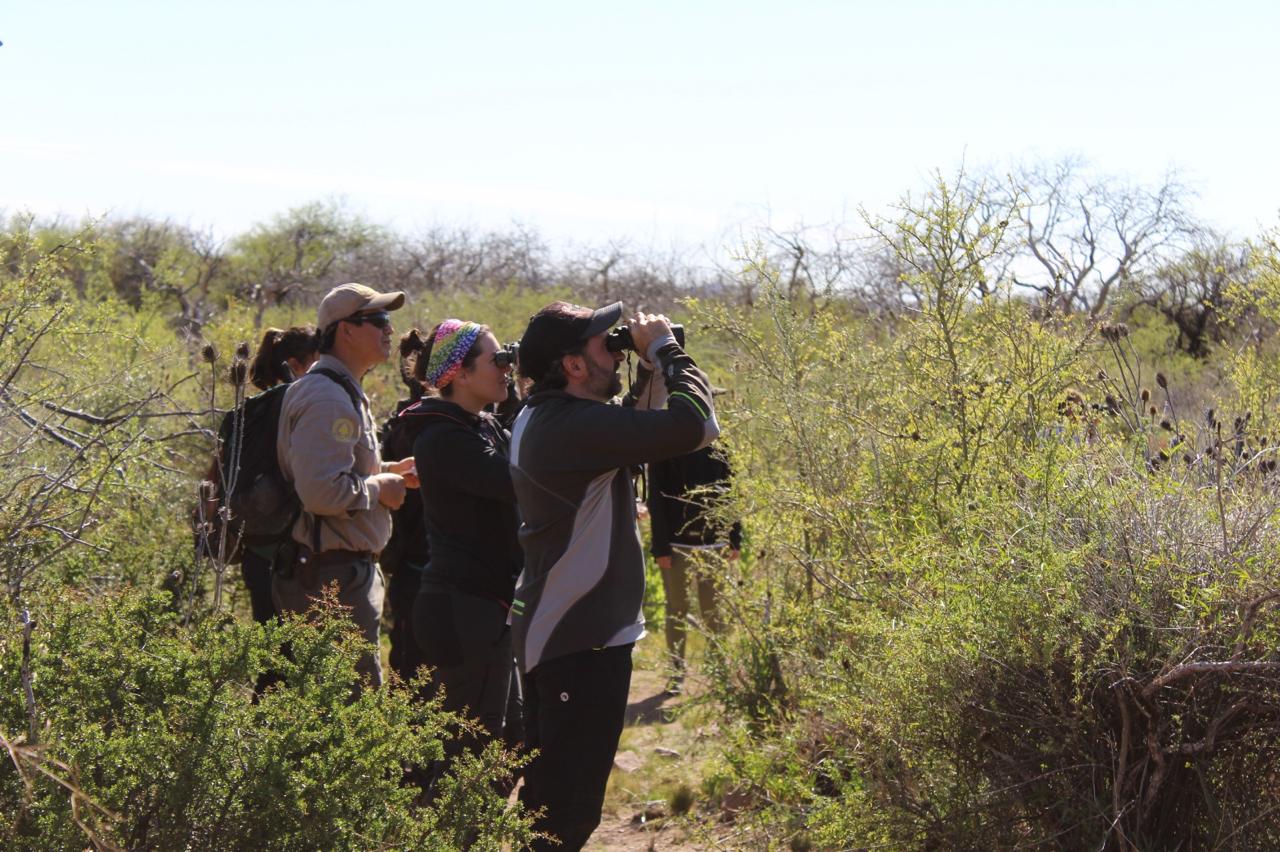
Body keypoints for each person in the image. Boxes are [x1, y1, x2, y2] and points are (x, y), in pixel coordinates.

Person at [509, 301, 720, 850]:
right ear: (573, 365)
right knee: (565, 816)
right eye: (608, 342)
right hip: (576, 639)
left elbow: (638, 426)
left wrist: (646, 368)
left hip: (566, 631)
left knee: (553, 806)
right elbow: (696, 425)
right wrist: (667, 353)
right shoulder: (572, 427)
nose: (617, 345)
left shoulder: (549, 415)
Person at [274, 283, 417, 689]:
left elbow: (338, 470)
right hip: (330, 580)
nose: (389, 330)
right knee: (346, 713)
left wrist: (389, 470)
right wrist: (380, 488)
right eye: (378, 320)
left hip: (338, 574)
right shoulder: (328, 399)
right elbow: (320, 492)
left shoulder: (340, 391)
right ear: (346, 331)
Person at [399, 319, 521, 783]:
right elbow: (516, 480)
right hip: (463, 606)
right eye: (498, 360)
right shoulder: (445, 437)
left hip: (482, 606)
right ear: (462, 374)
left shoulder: (478, 426)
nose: (507, 368)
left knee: (507, 739)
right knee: (472, 755)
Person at [199, 326, 318, 624]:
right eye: (318, 363)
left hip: (256, 547)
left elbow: (215, 477)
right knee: (302, 654)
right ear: (293, 365)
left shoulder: (244, 413)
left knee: (268, 648)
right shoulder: (299, 407)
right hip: (295, 551)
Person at [648, 443, 742, 691]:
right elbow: (655, 499)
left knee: (713, 611)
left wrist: (735, 537)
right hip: (676, 545)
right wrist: (660, 547)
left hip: (715, 543)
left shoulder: (721, 447)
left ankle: (721, 673)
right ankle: (677, 674)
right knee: (676, 609)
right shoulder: (665, 447)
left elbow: (732, 493)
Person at [378, 330, 432, 685]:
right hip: (422, 563)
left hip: (407, 566)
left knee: (409, 667)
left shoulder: (398, 425)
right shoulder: (437, 426)